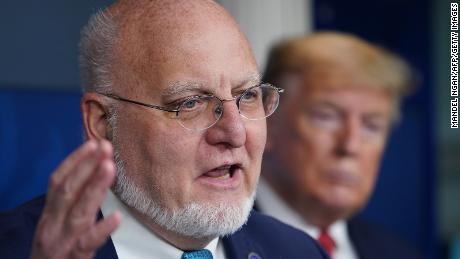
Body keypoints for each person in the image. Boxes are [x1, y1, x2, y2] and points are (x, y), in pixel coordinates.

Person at [0, 1, 328, 259]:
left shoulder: (299, 252)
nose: (235, 132)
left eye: (248, 96)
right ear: (102, 124)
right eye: (190, 103)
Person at [257, 32, 423, 259]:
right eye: (326, 117)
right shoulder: (211, 242)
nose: (350, 146)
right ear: (269, 123)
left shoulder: (399, 254)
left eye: (371, 126)